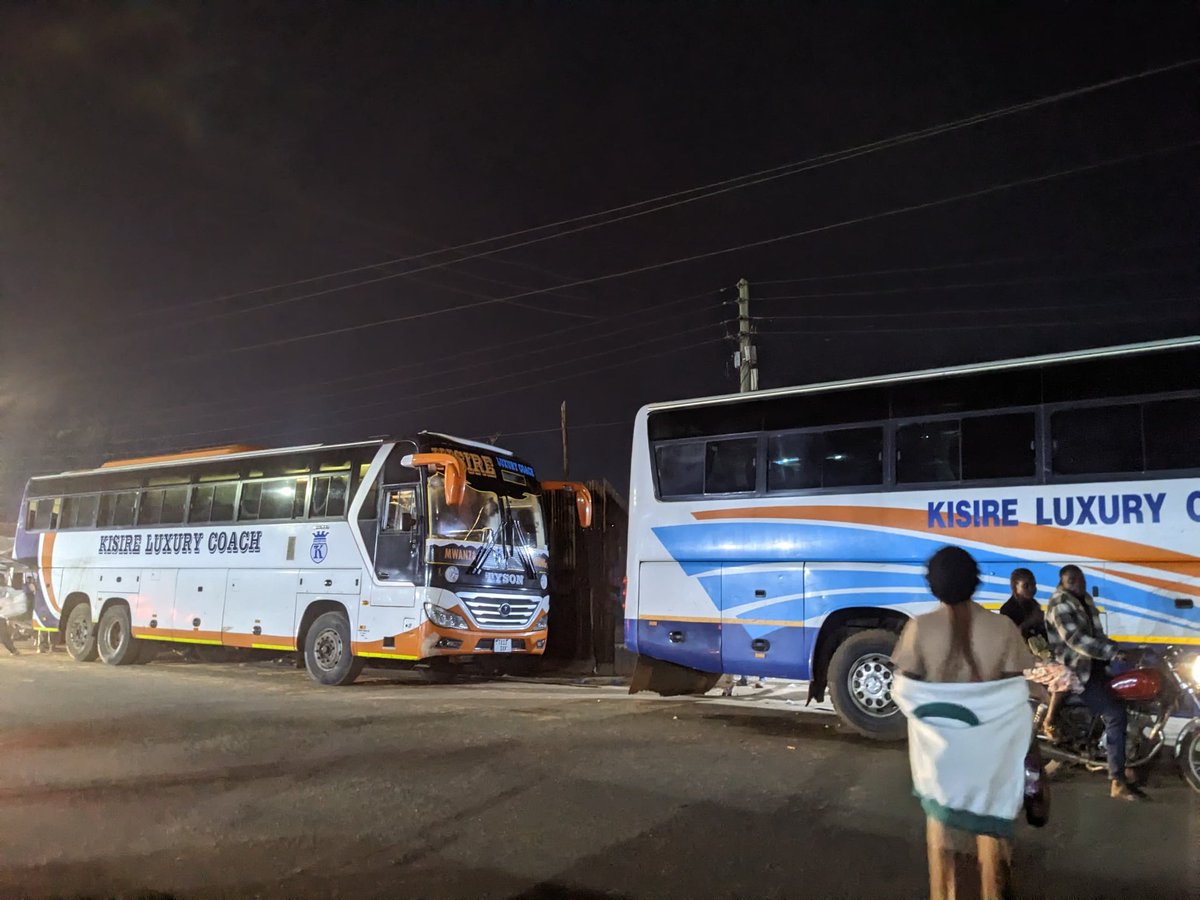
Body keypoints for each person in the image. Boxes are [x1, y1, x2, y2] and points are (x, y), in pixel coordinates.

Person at [892, 546, 1034, 900]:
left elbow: (905, 686)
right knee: (991, 835)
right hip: (990, 757)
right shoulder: (1002, 628)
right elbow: (1019, 687)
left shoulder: (919, 629)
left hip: (939, 761)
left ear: (933, 585)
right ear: (976, 582)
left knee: (940, 840)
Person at [1045, 564, 1143, 801]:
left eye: (1080, 579)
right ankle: (1117, 781)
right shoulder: (1061, 604)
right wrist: (1112, 652)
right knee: (1115, 714)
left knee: (1129, 698)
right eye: (1072, 580)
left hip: (1093, 665)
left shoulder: (1085, 600)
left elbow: (1097, 635)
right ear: (1062, 582)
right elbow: (1076, 640)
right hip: (1077, 669)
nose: (1078, 584)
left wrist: (1123, 649)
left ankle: (1121, 758)